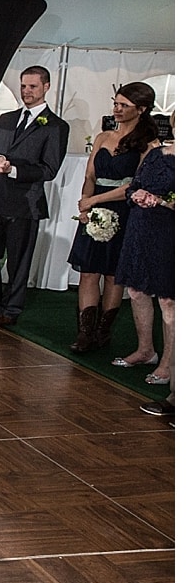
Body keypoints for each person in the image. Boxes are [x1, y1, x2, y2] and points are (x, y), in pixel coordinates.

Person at [0, 65, 70, 326]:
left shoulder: (56, 126)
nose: (26, 91)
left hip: (25, 203)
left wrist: (12, 169)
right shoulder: (6, 119)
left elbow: (49, 169)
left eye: (33, 86)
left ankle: (10, 309)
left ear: (46, 87)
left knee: (18, 261)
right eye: (24, 86)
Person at [66, 82, 160, 352]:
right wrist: (85, 207)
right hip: (93, 209)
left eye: (124, 105)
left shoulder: (148, 145)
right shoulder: (103, 137)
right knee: (88, 271)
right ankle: (84, 333)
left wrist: (95, 200)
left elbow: (136, 186)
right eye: (115, 103)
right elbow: (90, 176)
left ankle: (102, 332)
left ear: (141, 109)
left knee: (112, 274)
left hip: (124, 211)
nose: (116, 109)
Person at [113, 136, 174, 414]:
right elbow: (134, 185)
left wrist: (161, 201)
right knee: (136, 290)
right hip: (141, 227)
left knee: (168, 300)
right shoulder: (154, 153)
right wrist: (136, 194)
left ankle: (169, 366)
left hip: (169, 231)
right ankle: (146, 350)